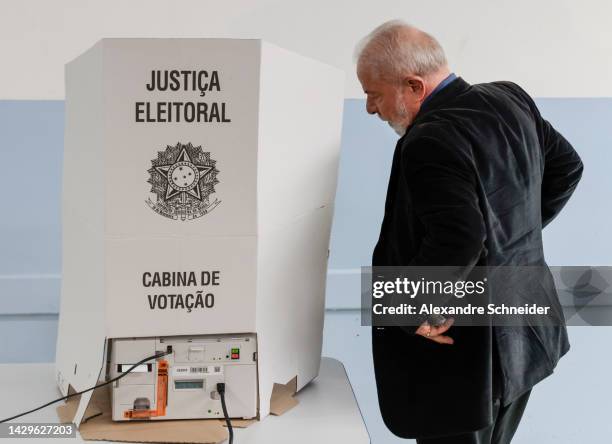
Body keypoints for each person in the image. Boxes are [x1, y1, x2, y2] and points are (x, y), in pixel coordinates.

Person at [355, 20, 584, 444]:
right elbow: (567, 167)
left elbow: (459, 238)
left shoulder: (428, 139)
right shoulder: (509, 98)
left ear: (413, 85)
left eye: (374, 94)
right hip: (526, 332)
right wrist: (510, 239)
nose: (370, 107)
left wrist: (410, 311)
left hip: (469, 351)